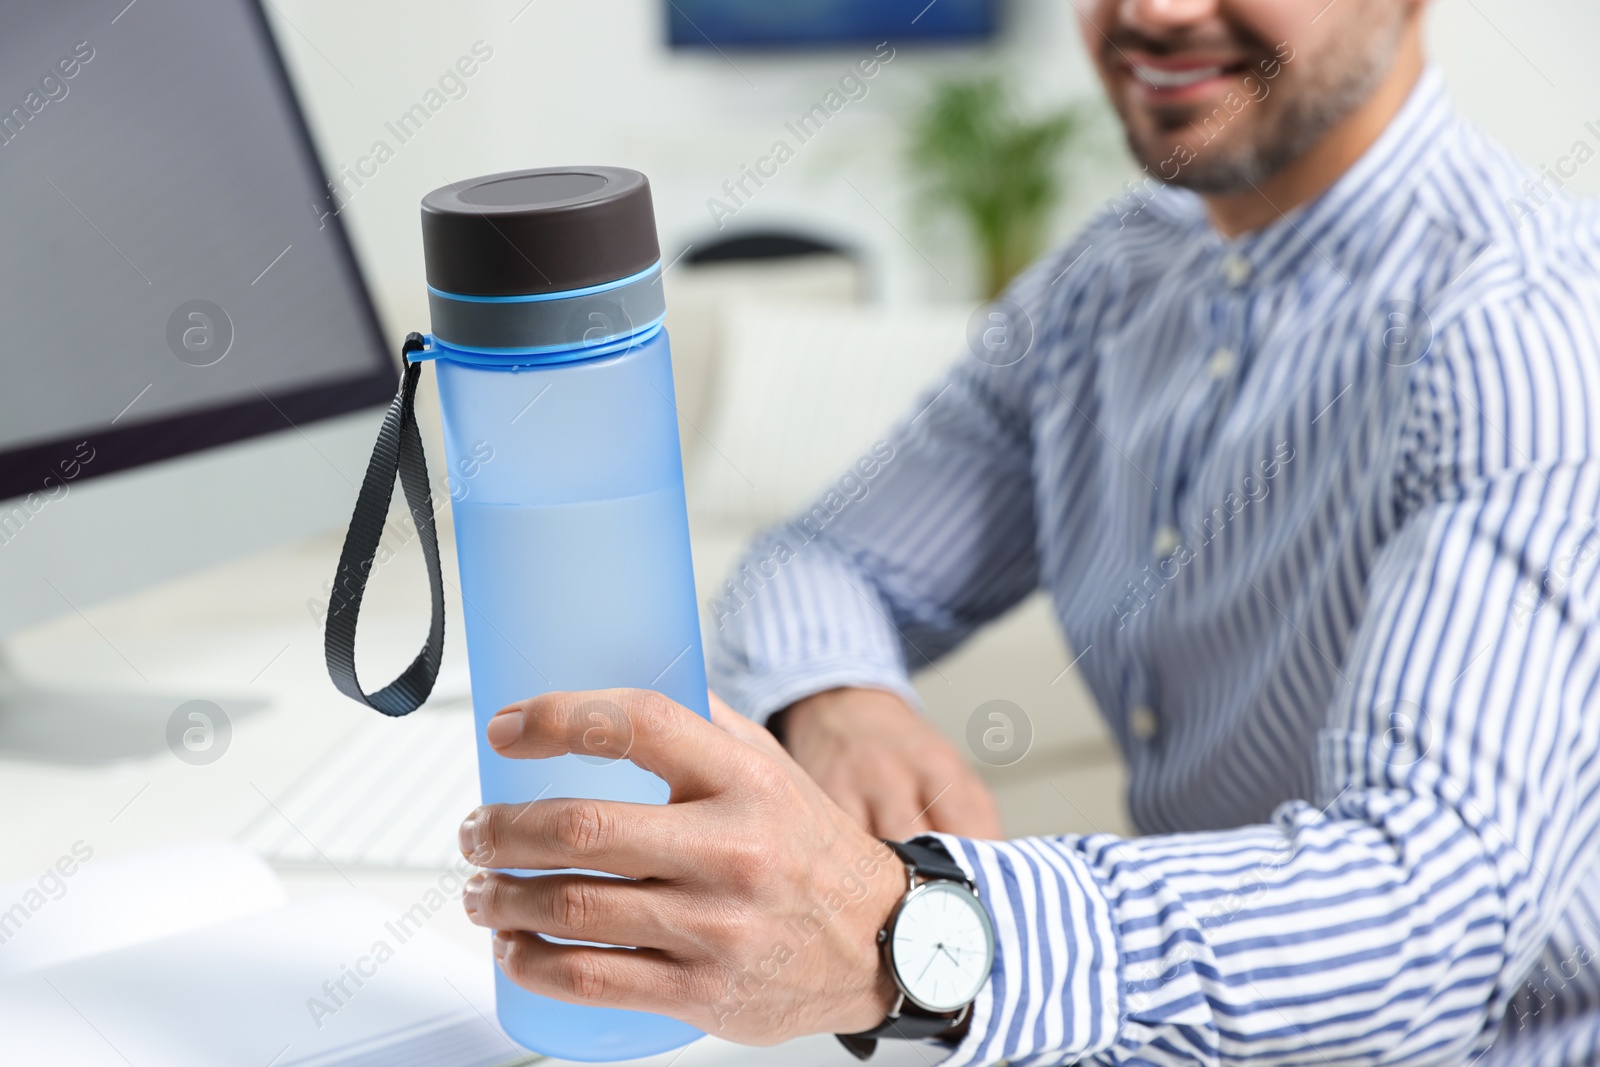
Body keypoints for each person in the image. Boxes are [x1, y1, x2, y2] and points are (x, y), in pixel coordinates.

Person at [456, 0, 1600, 1062]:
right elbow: (820, 556)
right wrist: (837, 699)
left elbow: (1433, 913)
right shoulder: (1108, 283)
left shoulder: (1521, 329)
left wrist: (902, 928)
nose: (1149, 11)